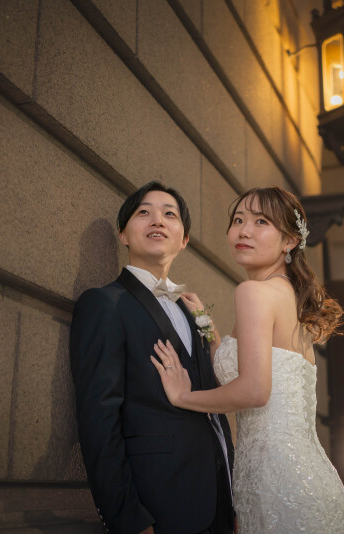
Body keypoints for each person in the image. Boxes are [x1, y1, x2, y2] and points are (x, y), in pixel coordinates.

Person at [151, 186, 344, 533]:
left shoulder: (254, 293)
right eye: (238, 220)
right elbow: (246, 373)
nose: (243, 230)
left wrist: (184, 397)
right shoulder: (287, 297)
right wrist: (208, 329)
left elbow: (254, 391)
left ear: (289, 241)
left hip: (280, 485)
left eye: (261, 222)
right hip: (304, 481)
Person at [69, 181, 234, 534]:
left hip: (218, 503)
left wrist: (232, 495)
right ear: (124, 235)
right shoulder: (104, 304)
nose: (157, 220)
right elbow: (98, 419)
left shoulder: (194, 312)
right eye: (144, 212)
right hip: (159, 507)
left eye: (169, 214)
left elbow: (214, 414)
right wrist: (127, 518)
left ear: (184, 239)